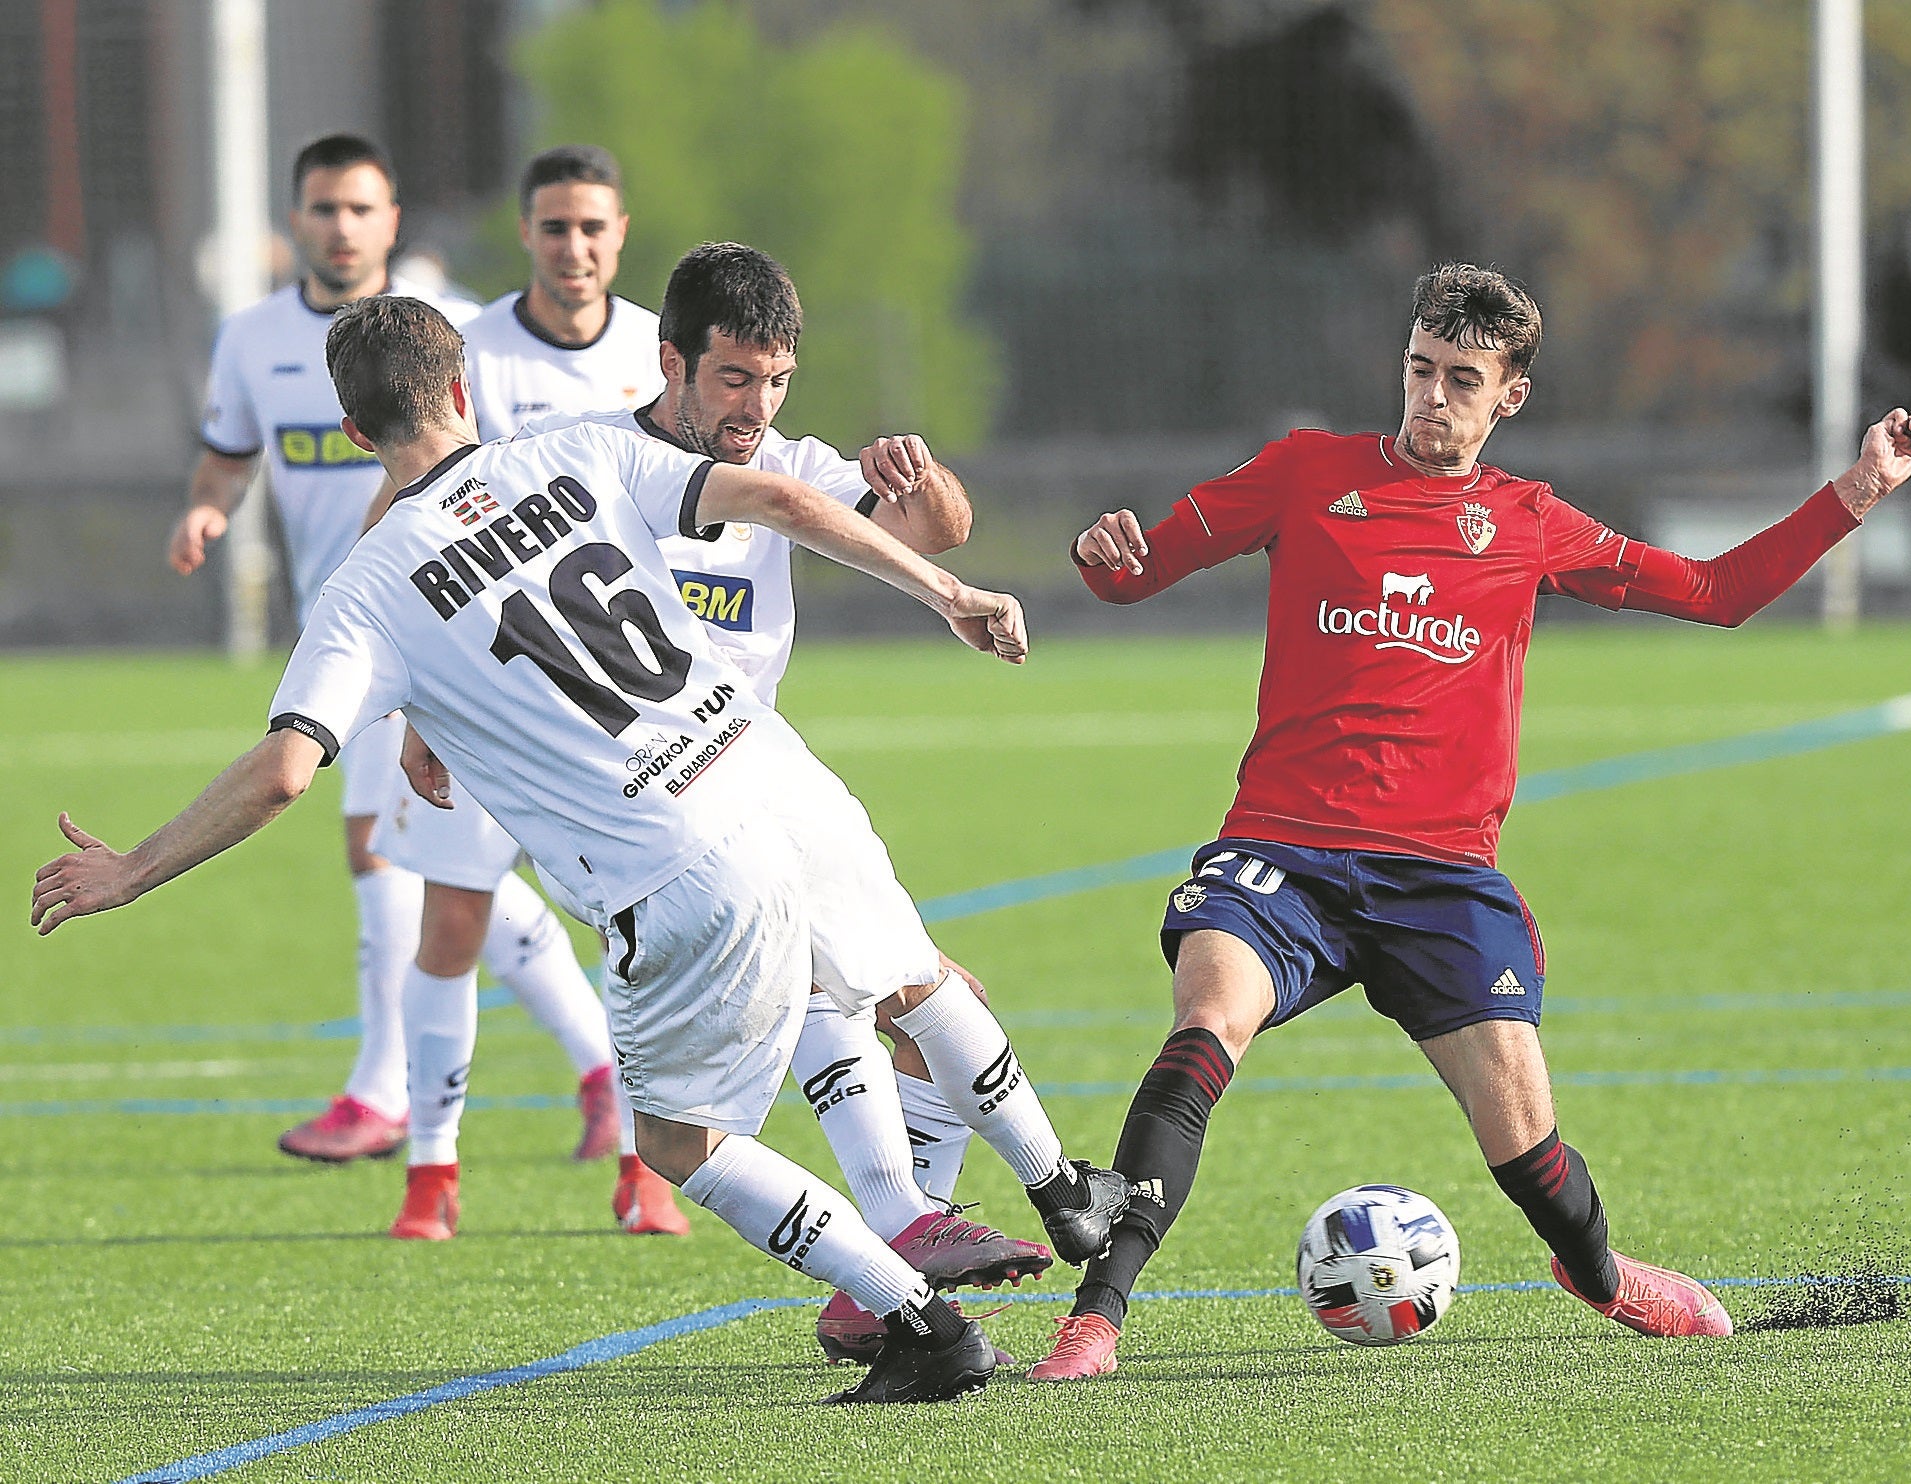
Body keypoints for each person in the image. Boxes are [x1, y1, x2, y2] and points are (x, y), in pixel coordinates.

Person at [33, 295, 1128, 1404]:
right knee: (912, 981)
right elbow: (785, 499)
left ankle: (923, 1323)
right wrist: (948, 589)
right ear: (462, 388)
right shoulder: (581, 449)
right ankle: (1052, 1185)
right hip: (770, 774)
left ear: (356, 436)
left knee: (677, 1140)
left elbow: (282, 770)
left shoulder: (365, 590)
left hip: (673, 863)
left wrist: (131, 869)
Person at [1027, 264, 1911, 1380]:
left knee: (1524, 1136)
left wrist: (1855, 492)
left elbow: (1716, 593)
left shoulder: (1529, 520)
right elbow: (1134, 573)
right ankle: (1098, 1317)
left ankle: (1600, 1274)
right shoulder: (1303, 474)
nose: (1431, 398)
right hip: (1283, 850)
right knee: (1207, 1016)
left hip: (1443, 876)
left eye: (1463, 379)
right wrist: (1102, 556)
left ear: (1510, 396)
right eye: (1419, 369)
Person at [386, 240, 1052, 1343]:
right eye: (736, 379)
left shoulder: (788, 463)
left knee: (897, 993)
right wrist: (423, 712)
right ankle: (927, 1227)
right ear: (674, 364)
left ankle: (906, 1243)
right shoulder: (590, 459)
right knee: (868, 995)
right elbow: (476, 569)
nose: (756, 404)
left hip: (750, 775)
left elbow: (925, 528)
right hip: (629, 791)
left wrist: (923, 485)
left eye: (776, 380)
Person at [370, 145, 675, 1236]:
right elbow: (400, 515)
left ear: (621, 232)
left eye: (593, 228)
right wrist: (407, 699)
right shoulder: (473, 357)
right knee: (451, 920)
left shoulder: (660, 350)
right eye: (555, 228)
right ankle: (432, 1174)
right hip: (488, 699)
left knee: (641, 930)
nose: (575, 248)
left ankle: (647, 1169)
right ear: (527, 233)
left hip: (621, 704)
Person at [169, 134, 479, 1164]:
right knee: (456, 861)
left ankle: (381, 1091)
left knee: (390, 850)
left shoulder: (450, 332)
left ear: (391, 220)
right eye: (322, 208)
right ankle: (587, 1066)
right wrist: (208, 514)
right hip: (346, 628)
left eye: (360, 208)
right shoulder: (252, 338)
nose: (340, 226)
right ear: (294, 221)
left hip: (432, 621)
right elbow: (225, 460)